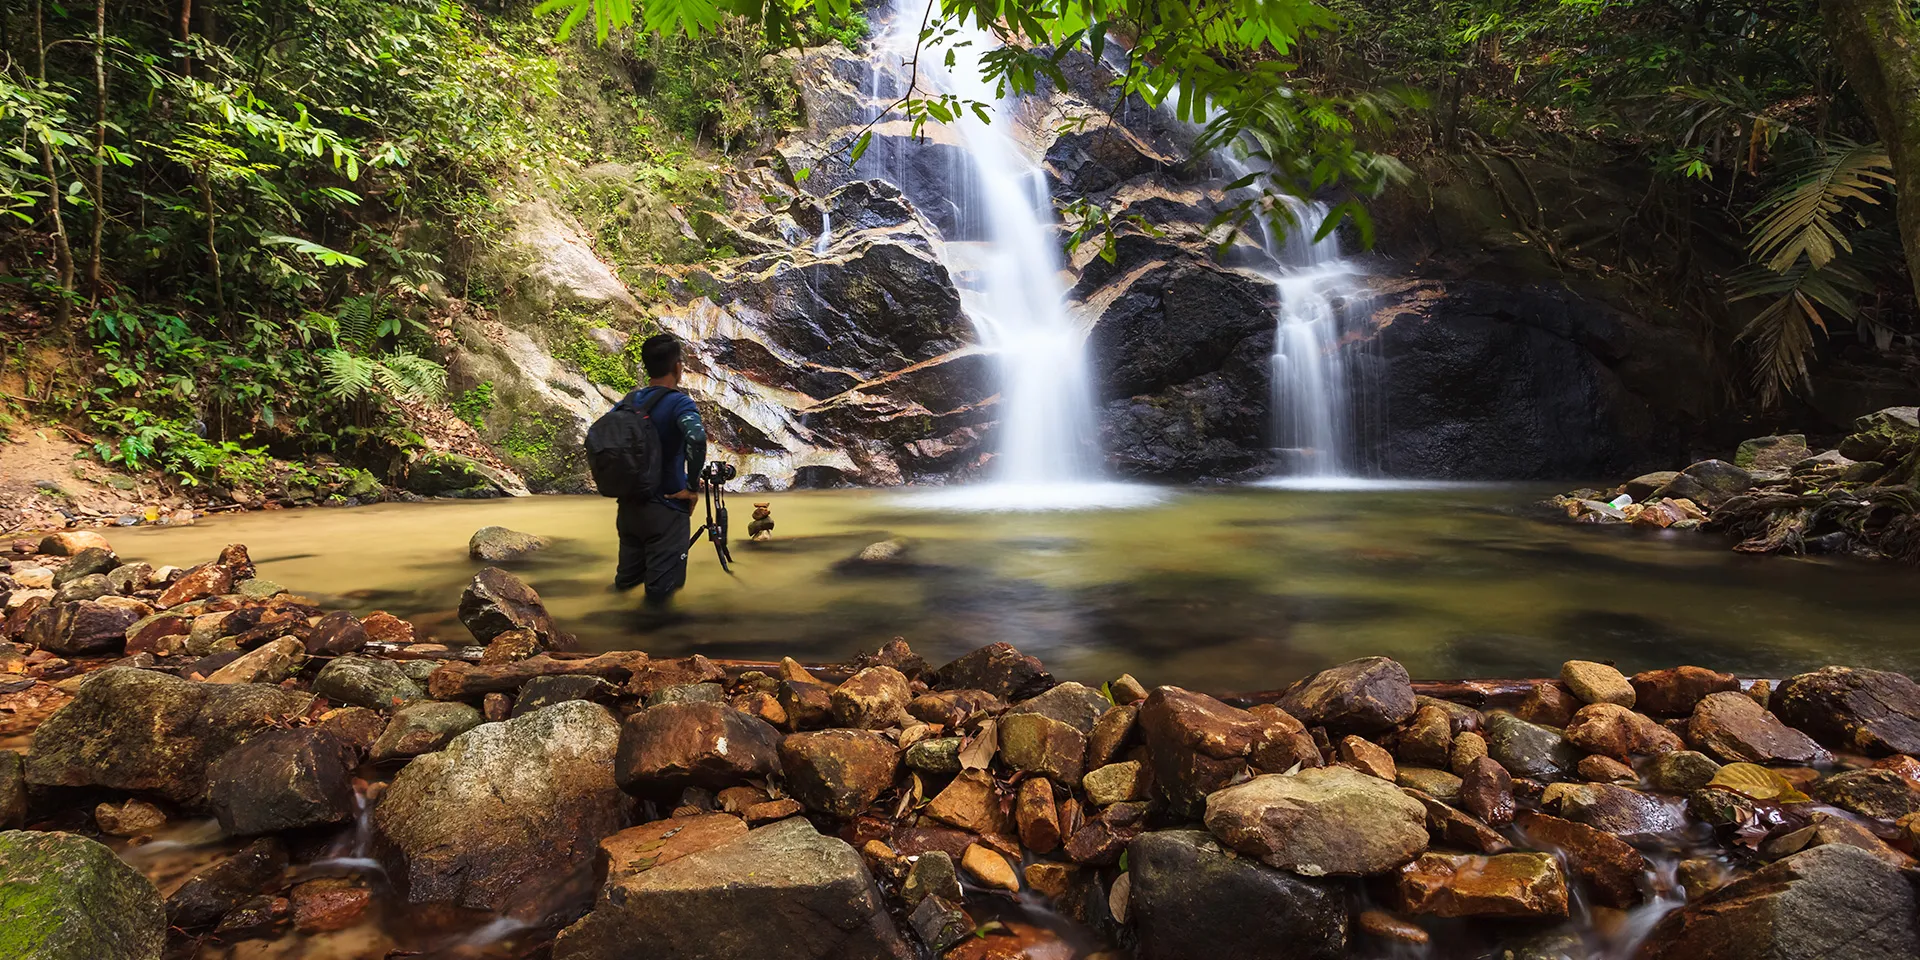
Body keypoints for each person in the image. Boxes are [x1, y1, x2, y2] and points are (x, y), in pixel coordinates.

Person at [613, 334, 706, 603]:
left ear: (646, 367)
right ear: (678, 367)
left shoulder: (626, 403)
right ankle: (655, 641)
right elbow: (697, 438)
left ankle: (614, 639)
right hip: (666, 511)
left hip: (629, 510)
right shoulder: (679, 403)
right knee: (660, 597)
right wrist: (691, 488)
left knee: (626, 586)